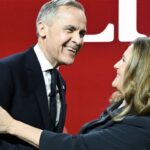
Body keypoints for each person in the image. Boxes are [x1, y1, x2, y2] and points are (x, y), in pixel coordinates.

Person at [1, 37, 150, 150]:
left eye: (124, 60)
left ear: (140, 71)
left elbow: (79, 146)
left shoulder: (144, 126)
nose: (116, 65)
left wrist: (11, 125)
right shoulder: (121, 107)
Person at [0, 0, 87, 149]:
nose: (78, 40)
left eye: (82, 33)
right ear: (42, 29)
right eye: (69, 29)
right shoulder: (7, 70)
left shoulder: (60, 82)